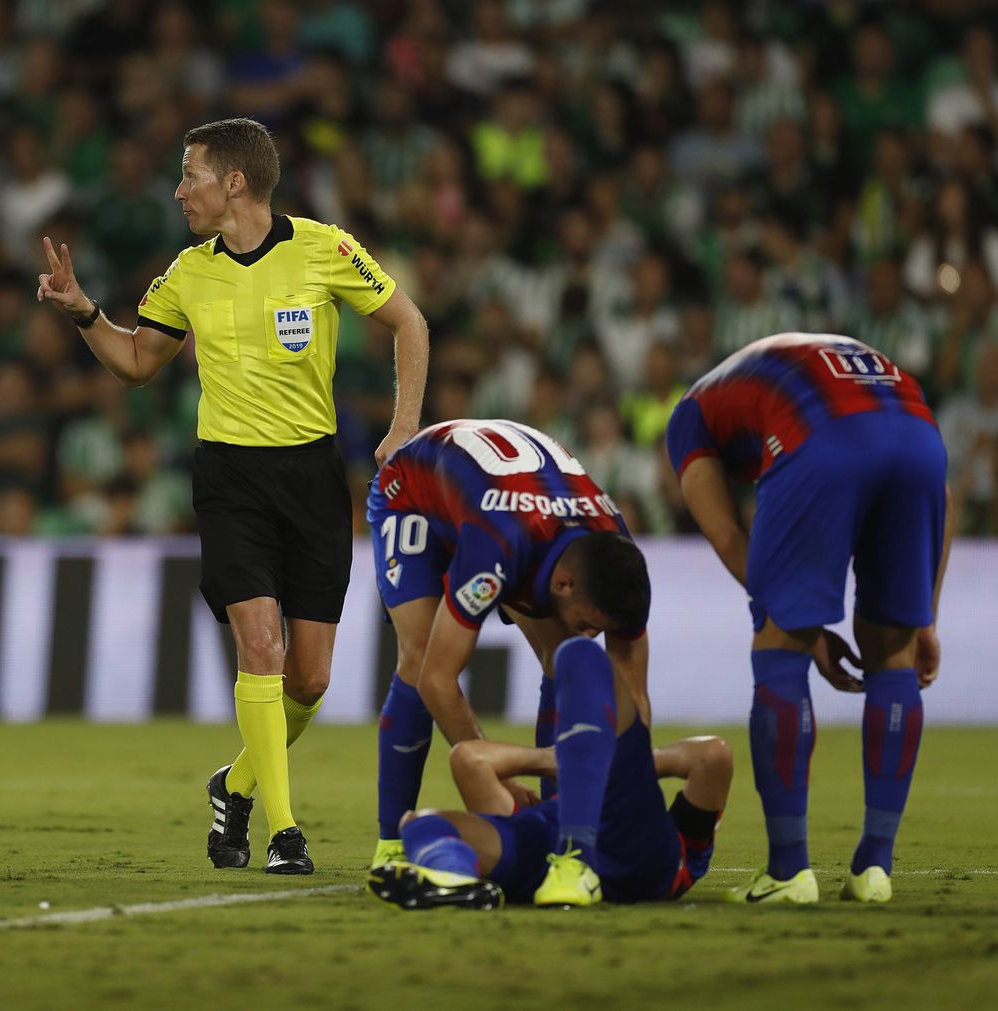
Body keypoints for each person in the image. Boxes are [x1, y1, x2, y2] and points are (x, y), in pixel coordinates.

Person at [37, 117, 429, 874]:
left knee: (309, 680)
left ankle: (235, 782)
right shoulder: (186, 272)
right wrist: (85, 311)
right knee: (262, 648)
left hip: (313, 476)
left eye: (191, 175)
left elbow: (407, 320)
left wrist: (405, 422)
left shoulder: (325, 248)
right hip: (229, 478)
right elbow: (135, 360)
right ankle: (284, 831)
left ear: (235, 182)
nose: (180, 190)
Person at [666, 332, 949, 903]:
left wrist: (795, 625)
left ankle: (788, 871)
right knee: (892, 654)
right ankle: (875, 870)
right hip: (922, 437)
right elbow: (938, 500)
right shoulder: (807, 361)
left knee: (778, 651)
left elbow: (725, 535)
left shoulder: (688, 417)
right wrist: (925, 619)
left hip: (818, 435)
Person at [367, 418, 651, 867]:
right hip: (415, 491)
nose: (593, 637)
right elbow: (437, 681)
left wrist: (633, 797)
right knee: (420, 657)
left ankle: (562, 824)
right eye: (589, 624)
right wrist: (494, 777)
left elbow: (635, 691)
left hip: (499, 501)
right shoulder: (497, 546)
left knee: (566, 658)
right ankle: (391, 844)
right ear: (563, 584)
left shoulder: (616, 548)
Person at [368, 637, 730, 909]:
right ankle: (454, 882)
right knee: (417, 824)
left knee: (580, 653)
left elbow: (712, 756)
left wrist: (616, 763)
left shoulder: (664, 835)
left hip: (635, 853)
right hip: (548, 858)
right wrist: (564, 760)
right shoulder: (562, 801)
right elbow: (469, 757)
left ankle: (575, 864)